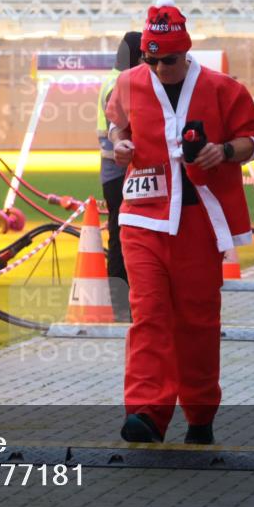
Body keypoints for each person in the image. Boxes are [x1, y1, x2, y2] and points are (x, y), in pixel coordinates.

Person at [106, 0, 254, 444]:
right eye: (151, 60)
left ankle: (199, 411)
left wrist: (224, 151)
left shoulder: (222, 88)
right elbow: (116, 123)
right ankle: (147, 412)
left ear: (186, 52)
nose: (158, 70)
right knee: (148, 314)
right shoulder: (129, 83)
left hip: (198, 221)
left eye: (168, 62)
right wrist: (120, 144)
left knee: (197, 320)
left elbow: (252, 140)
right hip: (142, 219)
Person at [96, 32, 142, 322]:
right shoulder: (120, 84)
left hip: (114, 170)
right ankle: (121, 305)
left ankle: (123, 303)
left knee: (121, 236)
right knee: (121, 238)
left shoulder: (114, 79)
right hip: (119, 170)